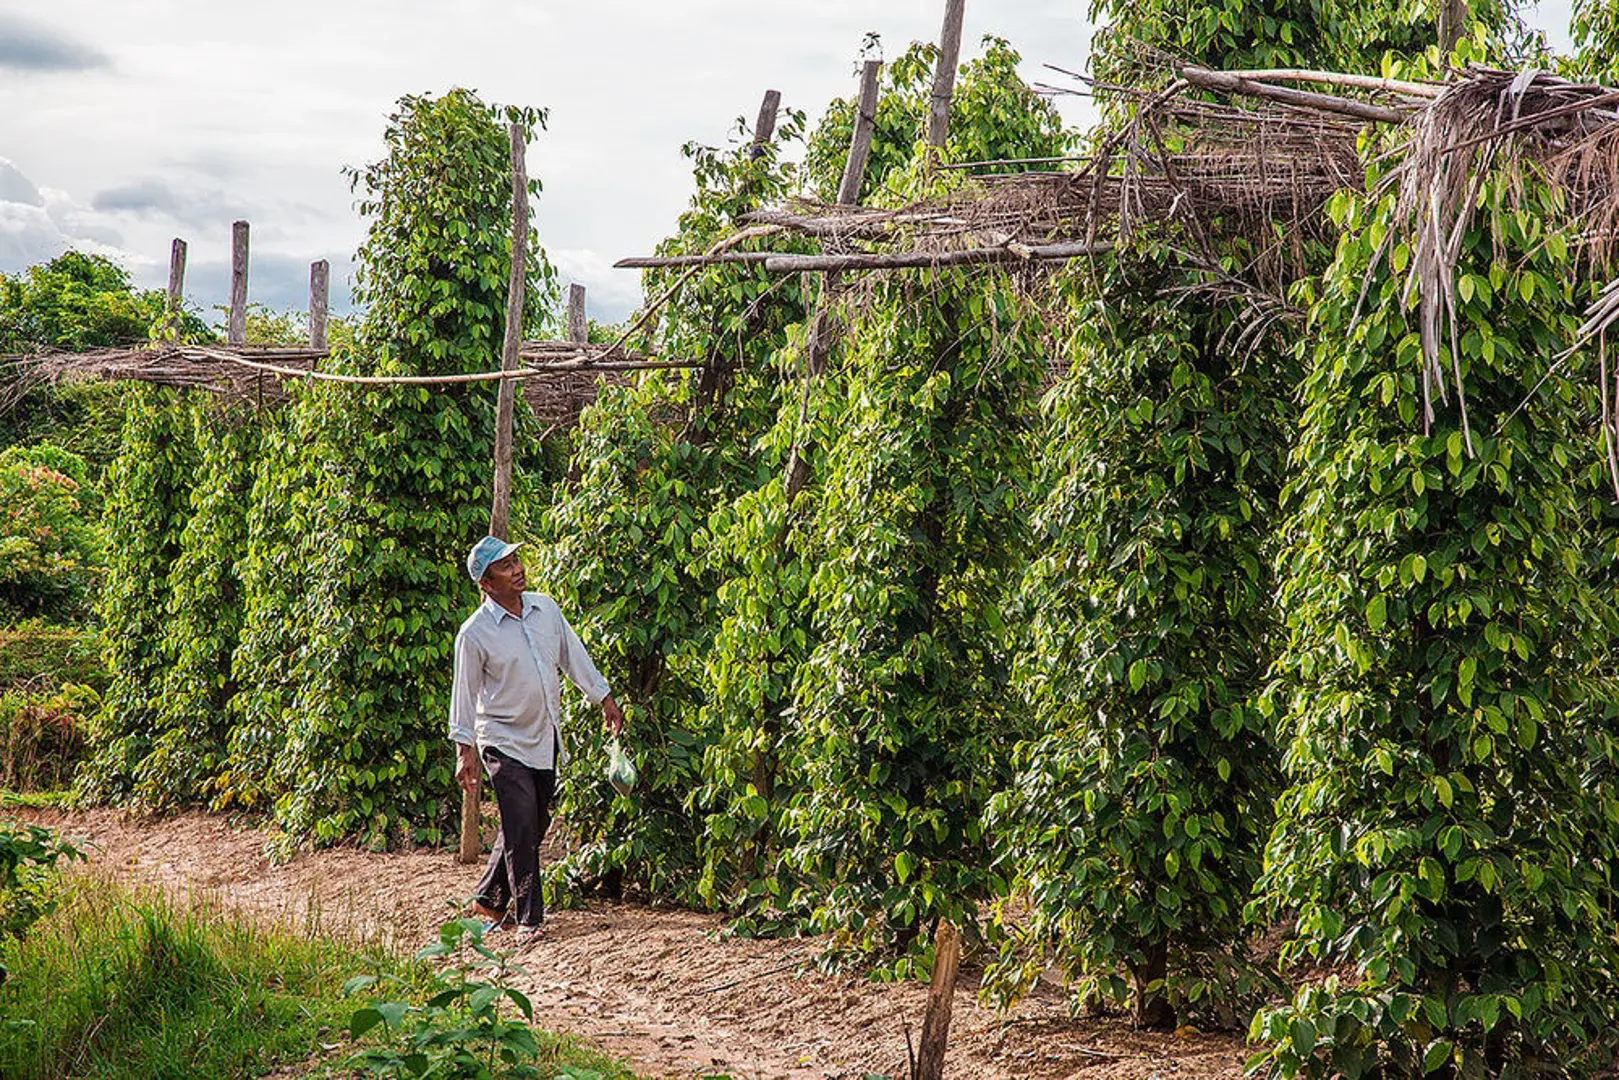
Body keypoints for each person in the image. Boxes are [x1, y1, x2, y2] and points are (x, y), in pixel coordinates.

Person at [450, 535, 623, 942]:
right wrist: (465, 752)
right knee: (522, 821)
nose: (517, 569)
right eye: (505, 567)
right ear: (487, 584)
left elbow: (573, 656)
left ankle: (488, 900)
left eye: (516, 560)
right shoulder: (474, 634)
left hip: (544, 737)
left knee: (531, 822)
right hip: (501, 738)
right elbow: (465, 693)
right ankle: (529, 919)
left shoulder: (545, 609)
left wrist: (604, 698)